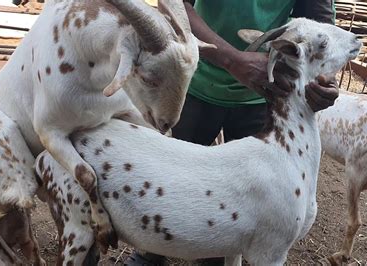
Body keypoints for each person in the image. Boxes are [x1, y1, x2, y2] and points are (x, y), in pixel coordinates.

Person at [126, 0, 337, 265]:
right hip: (197, 81)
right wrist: (231, 59)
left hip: (264, 92)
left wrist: (325, 79)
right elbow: (174, 4)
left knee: (242, 196)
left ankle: (212, 255)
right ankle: (151, 252)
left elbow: (322, 26)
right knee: (174, 177)